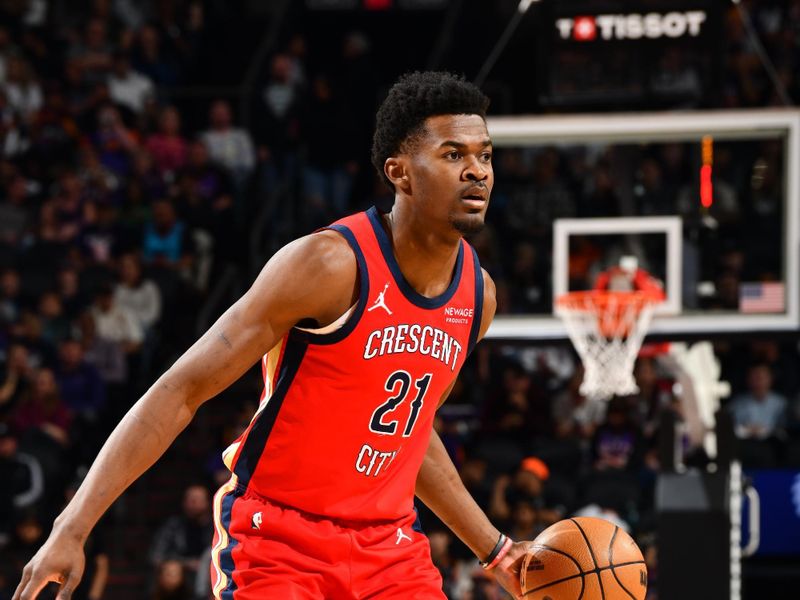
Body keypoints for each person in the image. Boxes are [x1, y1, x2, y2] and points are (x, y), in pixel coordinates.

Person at [14, 71, 528, 599]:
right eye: (452, 155)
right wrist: (71, 526)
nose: (476, 172)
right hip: (279, 540)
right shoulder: (328, 264)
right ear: (400, 172)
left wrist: (497, 550)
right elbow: (180, 390)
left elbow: (413, 437)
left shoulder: (477, 297)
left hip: (391, 551)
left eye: (484, 156)